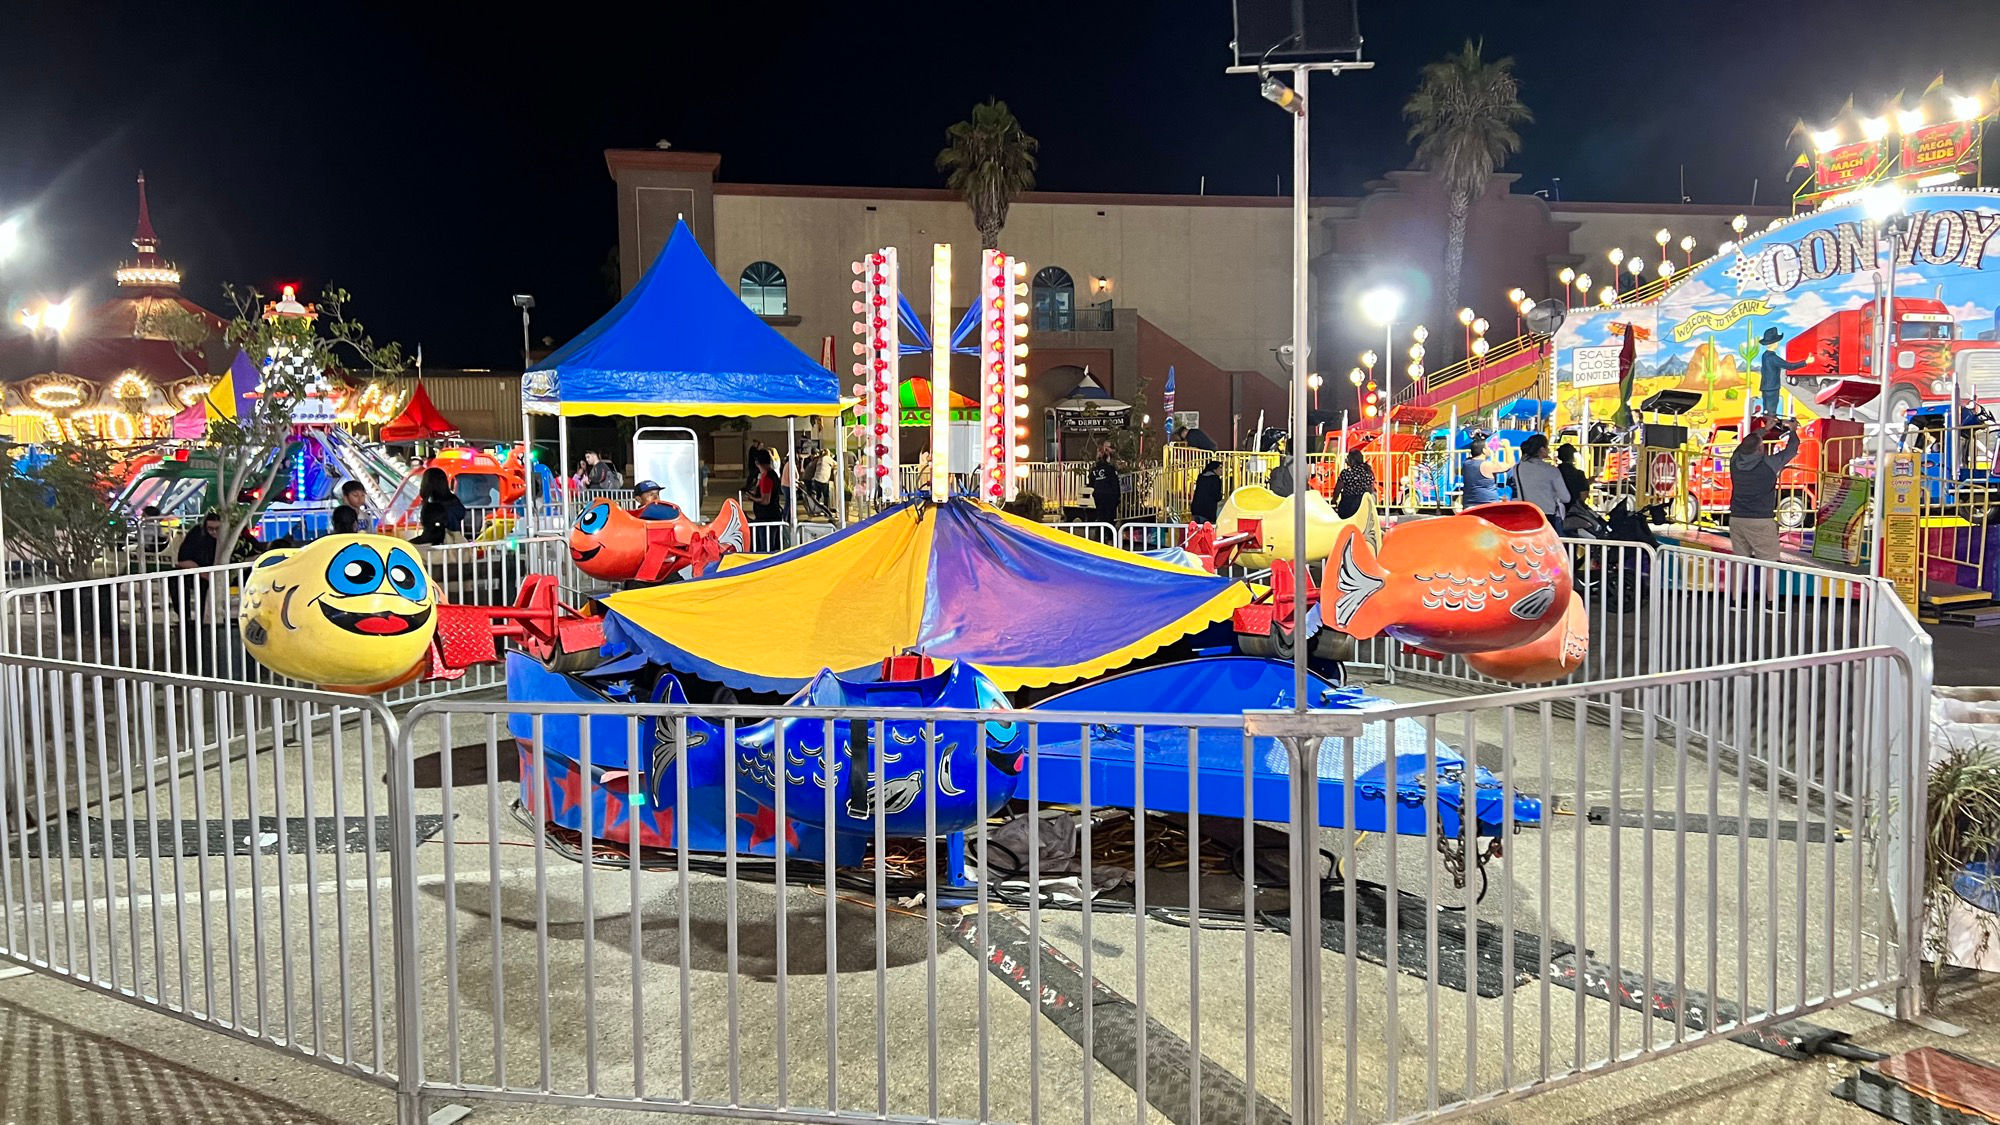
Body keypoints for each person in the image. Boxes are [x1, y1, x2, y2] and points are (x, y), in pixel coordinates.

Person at [1728, 415, 1800, 561]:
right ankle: (1768, 585)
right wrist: (1793, 431)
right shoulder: (1769, 464)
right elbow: (1791, 450)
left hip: (1736, 518)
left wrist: (1764, 429)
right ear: (1761, 448)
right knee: (1770, 563)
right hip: (1760, 520)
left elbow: (1746, 444)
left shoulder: (1734, 461)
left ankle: (1735, 585)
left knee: (1739, 560)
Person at [1514, 434, 1570, 532]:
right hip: (1547, 516)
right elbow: (1566, 497)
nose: (1549, 450)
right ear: (1542, 449)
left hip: (1526, 514)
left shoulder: (1517, 468)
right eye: (1547, 447)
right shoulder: (1551, 470)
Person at [1758, 327, 1808, 417]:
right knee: (1771, 413)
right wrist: (1805, 362)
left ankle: (1767, 427)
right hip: (1772, 388)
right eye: (1777, 342)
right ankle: (1770, 428)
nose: (1777, 344)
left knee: (1766, 412)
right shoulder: (1773, 357)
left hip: (1765, 388)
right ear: (1774, 343)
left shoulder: (1764, 355)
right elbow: (1790, 366)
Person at [412, 467, 464, 546]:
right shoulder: (454, 500)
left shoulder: (432, 506)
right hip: (455, 543)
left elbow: (431, 534)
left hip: (437, 546)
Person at [1459, 435, 1503, 508]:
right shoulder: (1485, 465)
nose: (1490, 449)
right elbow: (1508, 464)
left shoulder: (1466, 464)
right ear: (1484, 451)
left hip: (1469, 506)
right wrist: (1507, 446)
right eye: (1488, 448)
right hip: (1487, 506)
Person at [1334, 450, 1376, 518]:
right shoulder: (1368, 472)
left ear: (1352, 460)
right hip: (1363, 504)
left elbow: (1338, 488)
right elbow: (1371, 489)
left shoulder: (1346, 473)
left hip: (1347, 504)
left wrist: (1334, 500)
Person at [1087, 442, 1121, 522]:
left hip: (1098, 495)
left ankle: (1100, 532)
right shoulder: (1110, 469)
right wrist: (1118, 496)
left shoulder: (1094, 470)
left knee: (1101, 516)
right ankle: (1108, 533)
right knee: (1109, 517)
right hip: (1110, 496)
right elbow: (1115, 483)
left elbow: (1091, 482)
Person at [748, 447, 783, 523]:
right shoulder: (772, 474)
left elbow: (765, 501)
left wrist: (751, 498)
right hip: (771, 515)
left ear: (757, 462)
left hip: (767, 517)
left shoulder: (766, 478)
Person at [1189, 459, 1224, 524]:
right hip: (1208, 510)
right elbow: (1216, 495)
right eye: (1220, 468)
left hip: (1196, 508)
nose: (1221, 470)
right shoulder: (1215, 479)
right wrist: (1221, 496)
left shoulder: (1201, 477)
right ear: (1214, 469)